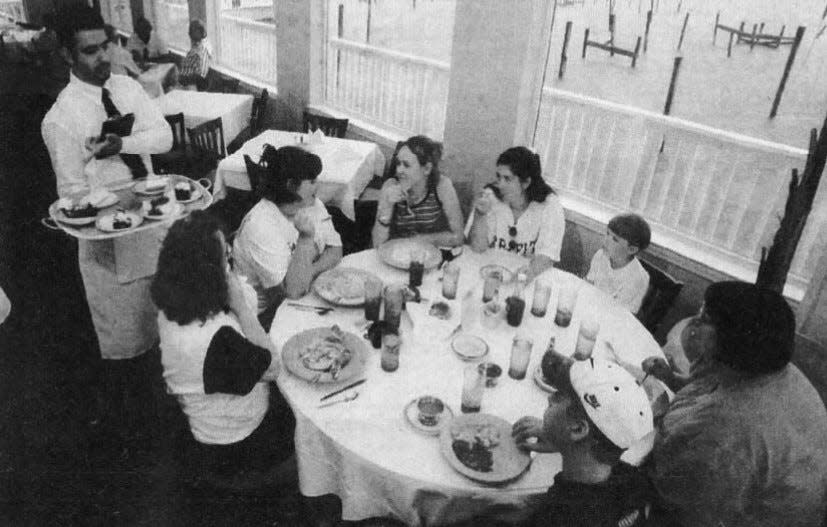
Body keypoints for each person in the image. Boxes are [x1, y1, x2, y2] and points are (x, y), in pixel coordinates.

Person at [41, 7, 172, 432]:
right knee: (128, 339)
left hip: (155, 222)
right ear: (66, 54)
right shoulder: (61, 119)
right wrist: (107, 206)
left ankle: (172, 406)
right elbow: (71, 197)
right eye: (90, 51)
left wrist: (123, 144)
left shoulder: (128, 87)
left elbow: (164, 137)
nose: (104, 58)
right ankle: (136, 432)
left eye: (107, 46)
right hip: (110, 244)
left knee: (167, 323)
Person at [644, 281, 827, 527]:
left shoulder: (729, 428)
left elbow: (673, 494)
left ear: (732, 339)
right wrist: (670, 378)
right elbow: (713, 385)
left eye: (705, 318)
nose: (694, 325)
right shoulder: (768, 366)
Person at [151, 211, 295, 486]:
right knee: (301, 407)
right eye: (225, 260)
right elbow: (272, 367)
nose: (230, 268)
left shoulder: (171, 306)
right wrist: (240, 305)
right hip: (237, 444)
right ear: (207, 273)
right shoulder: (216, 338)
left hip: (203, 421)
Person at [512, 358, 654, 527]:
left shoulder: (556, 516)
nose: (550, 397)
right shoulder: (631, 479)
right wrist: (562, 441)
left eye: (560, 396)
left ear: (578, 429)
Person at [233, 146, 343, 320]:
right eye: (312, 181)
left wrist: (310, 271)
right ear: (291, 186)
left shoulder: (311, 204)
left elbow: (336, 249)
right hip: (264, 315)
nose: (318, 185)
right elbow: (293, 291)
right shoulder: (260, 225)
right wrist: (305, 239)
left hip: (308, 294)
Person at [466, 147, 565, 280]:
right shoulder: (491, 197)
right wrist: (480, 215)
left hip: (527, 278)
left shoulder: (550, 206)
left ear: (526, 183)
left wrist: (520, 278)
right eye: (499, 177)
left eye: (507, 179)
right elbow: (478, 248)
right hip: (491, 273)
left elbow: (546, 257)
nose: (500, 185)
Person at [371, 136, 464, 248]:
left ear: (427, 169)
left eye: (406, 165)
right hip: (396, 254)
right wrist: (387, 207)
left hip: (428, 254)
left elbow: (458, 237)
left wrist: (419, 240)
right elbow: (377, 244)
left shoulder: (442, 186)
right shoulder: (390, 186)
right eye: (398, 163)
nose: (399, 170)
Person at [585, 213, 651, 313]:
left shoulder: (638, 277)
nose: (606, 240)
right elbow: (588, 284)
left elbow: (619, 314)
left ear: (631, 249)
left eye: (615, 239)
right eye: (607, 233)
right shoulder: (601, 255)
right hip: (591, 309)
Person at [178, 19, 212, 91]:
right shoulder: (206, 49)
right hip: (194, 82)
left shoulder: (195, 54)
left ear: (189, 34)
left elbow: (198, 75)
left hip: (192, 85)